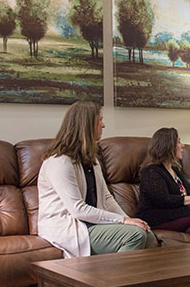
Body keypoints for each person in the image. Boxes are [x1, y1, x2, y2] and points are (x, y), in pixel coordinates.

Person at [38, 100, 156, 258]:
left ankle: (114, 277)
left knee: (147, 235)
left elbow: (107, 198)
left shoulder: (91, 160)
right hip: (68, 226)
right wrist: (122, 221)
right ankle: (113, 281)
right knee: (135, 235)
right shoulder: (59, 162)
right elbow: (78, 209)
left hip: (91, 224)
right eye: (100, 119)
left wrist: (129, 219)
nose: (103, 125)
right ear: (86, 125)